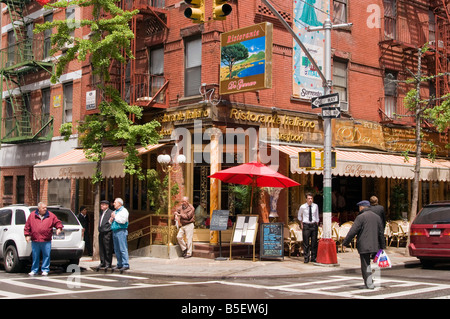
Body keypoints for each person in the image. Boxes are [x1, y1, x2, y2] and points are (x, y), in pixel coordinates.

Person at [343, 200, 386, 289]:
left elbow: (353, 231)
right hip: (375, 244)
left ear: (361, 207)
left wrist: (345, 243)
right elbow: (381, 233)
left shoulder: (360, 217)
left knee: (365, 264)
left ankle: (369, 283)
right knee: (369, 264)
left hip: (364, 245)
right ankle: (370, 281)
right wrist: (382, 246)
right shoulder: (377, 217)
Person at [24, 202, 63, 276]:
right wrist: (27, 235)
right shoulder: (32, 215)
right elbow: (27, 226)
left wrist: (59, 228)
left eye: (46, 207)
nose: (45, 209)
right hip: (35, 240)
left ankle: (45, 269)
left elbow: (58, 222)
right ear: (39, 209)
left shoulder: (51, 215)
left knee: (46, 255)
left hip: (46, 240)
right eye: (43, 208)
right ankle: (34, 270)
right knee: (35, 256)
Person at [298, 193, 320, 263]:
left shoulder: (315, 206)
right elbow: (299, 215)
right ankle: (306, 257)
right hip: (306, 225)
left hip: (313, 225)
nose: (310, 200)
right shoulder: (302, 207)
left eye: (311, 198)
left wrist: (317, 222)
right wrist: (301, 223)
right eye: (309, 199)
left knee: (314, 242)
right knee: (306, 243)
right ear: (306, 199)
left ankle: (313, 257)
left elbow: (317, 215)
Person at [110, 198, 129, 271]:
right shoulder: (115, 211)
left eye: (115, 202)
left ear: (119, 204)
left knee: (122, 248)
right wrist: (111, 220)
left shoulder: (124, 211)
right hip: (115, 230)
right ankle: (119, 263)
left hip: (121, 231)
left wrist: (115, 217)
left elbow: (123, 221)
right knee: (117, 249)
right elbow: (111, 221)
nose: (114, 204)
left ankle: (125, 264)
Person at [96, 200, 114, 270]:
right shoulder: (102, 213)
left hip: (107, 232)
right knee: (102, 248)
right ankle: (102, 262)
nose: (101, 206)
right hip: (101, 232)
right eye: (101, 204)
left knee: (107, 248)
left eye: (103, 205)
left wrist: (108, 229)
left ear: (107, 205)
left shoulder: (110, 212)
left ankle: (108, 263)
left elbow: (111, 222)